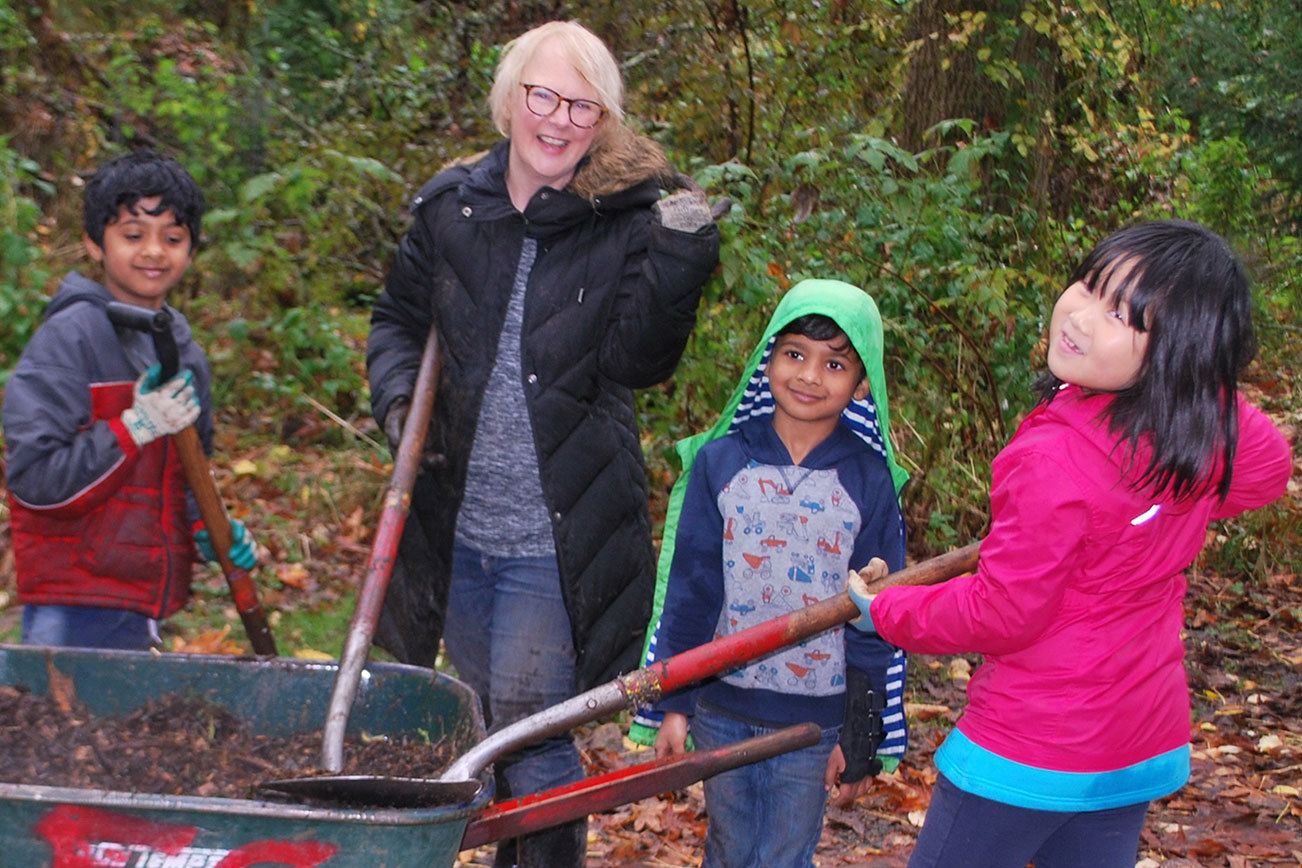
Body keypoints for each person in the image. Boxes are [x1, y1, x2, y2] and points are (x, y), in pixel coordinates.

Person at [365, 20, 721, 867]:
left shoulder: (623, 222)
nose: (558, 120)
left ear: (602, 121)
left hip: (556, 537)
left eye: (581, 106)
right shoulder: (452, 209)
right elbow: (397, 322)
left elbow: (641, 362)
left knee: (530, 729)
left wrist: (679, 257)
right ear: (510, 99)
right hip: (455, 528)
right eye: (544, 97)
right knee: (482, 722)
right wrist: (398, 405)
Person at [848, 220, 1293, 868]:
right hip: (1136, 738)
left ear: (1177, 353)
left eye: (1120, 315)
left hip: (1031, 745)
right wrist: (1197, 394)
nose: (1079, 316)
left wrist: (885, 611)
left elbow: (1001, 611)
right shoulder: (1191, 442)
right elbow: (1265, 468)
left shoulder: (1052, 458)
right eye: (1088, 285)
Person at [636, 278, 911, 868]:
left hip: (815, 723)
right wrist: (676, 704)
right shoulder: (721, 463)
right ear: (768, 360)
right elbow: (692, 591)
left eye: (834, 363)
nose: (810, 376)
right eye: (794, 354)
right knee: (729, 847)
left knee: (786, 853)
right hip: (722, 709)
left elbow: (877, 619)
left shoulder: (868, 481)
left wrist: (859, 732)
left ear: (863, 384)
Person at [3, 149, 257, 652]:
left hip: (142, 599)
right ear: (95, 244)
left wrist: (209, 528)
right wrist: (134, 427)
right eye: (133, 235)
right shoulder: (69, 340)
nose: (154, 252)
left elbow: (188, 471)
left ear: (192, 249)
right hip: (72, 599)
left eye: (173, 238)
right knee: (61, 705)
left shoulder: (183, 353)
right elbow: (35, 482)